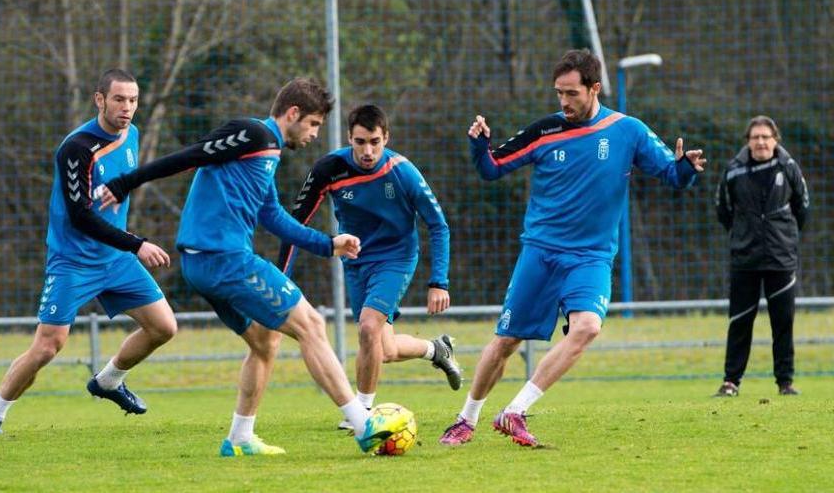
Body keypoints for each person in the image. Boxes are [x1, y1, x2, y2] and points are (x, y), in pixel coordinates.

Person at [96, 78, 409, 455]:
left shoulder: (267, 152)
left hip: (205, 263)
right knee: (311, 324)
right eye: (312, 125)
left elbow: (272, 215)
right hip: (223, 258)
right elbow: (192, 154)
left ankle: (239, 438)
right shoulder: (254, 133)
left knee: (265, 340)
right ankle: (363, 425)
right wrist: (126, 182)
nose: (313, 135)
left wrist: (328, 244)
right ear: (293, 113)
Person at [438, 49, 706, 447]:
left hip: (592, 256)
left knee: (588, 327)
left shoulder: (627, 130)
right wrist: (480, 146)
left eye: (572, 94)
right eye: (558, 93)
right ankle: (466, 419)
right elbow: (492, 169)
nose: (563, 102)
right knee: (507, 341)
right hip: (541, 252)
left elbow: (671, 173)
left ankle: (515, 411)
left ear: (594, 88)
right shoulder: (546, 131)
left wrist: (685, 169)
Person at [0, 69, 178, 434]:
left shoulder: (132, 135)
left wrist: (126, 245)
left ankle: (108, 381)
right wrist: (137, 244)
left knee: (164, 327)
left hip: (114, 259)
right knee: (48, 347)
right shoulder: (77, 148)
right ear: (99, 99)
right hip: (74, 262)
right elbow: (81, 217)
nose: (127, 108)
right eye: (119, 99)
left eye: (133, 100)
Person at [277, 104, 462, 430]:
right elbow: (295, 226)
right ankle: (436, 349)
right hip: (356, 261)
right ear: (349, 137)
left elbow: (439, 225)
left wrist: (439, 281)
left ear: (386, 138)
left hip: (396, 258)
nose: (367, 150)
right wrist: (279, 279)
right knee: (383, 348)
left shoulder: (403, 172)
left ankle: (361, 412)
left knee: (367, 327)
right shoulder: (329, 169)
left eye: (375, 142)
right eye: (360, 142)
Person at [713, 116, 809, 397]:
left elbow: (802, 207)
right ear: (748, 142)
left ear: (775, 139)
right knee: (740, 321)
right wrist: (744, 233)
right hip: (746, 259)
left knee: (783, 322)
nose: (761, 142)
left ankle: (785, 382)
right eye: (755, 137)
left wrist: (785, 237)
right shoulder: (734, 171)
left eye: (766, 136)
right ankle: (731, 382)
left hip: (781, 258)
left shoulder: (788, 168)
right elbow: (724, 210)